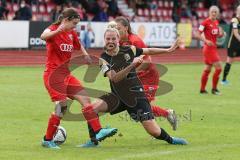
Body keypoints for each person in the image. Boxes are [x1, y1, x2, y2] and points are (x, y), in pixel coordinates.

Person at [80, 27, 188, 147]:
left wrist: (168, 50)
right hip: (118, 96)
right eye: (108, 38)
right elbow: (114, 78)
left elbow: (148, 50)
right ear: (104, 39)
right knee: (91, 109)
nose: (110, 41)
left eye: (113, 38)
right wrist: (132, 65)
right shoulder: (103, 59)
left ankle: (171, 139)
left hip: (136, 96)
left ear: (118, 39)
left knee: (154, 131)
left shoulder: (128, 49)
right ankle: (94, 141)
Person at [40, 8, 117, 149]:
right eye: (74, 23)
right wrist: (58, 31)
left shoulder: (71, 33)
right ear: (66, 20)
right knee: (62, 106)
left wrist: (85, 54)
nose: (74, 27)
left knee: (85, 99)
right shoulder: (53, 29)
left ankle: (99, 131)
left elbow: (78, 43)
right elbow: (43, 36)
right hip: (53, 75)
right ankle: (47, 139)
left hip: (66, 75)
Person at [112, 16, 177, 130]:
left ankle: (163, 120)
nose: (116, 31)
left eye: (119, 28)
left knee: (142, 105)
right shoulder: (119, 42)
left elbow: (147, 61)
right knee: (137, 107)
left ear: (126, 28)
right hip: (136, 77)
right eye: (115, 28)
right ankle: (165, 117)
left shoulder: (135, 40)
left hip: (148, 76)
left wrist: (131, 73)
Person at [196, 6, 224, 95]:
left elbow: (216, 35)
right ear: (209, 12)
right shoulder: (205, 22)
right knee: (219, 68)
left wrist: (221, 34)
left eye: (215, 12)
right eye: (212, 11)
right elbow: (197, 34)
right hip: (208, 49)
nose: (214, 13)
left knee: (207, 69)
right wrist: (206, 40)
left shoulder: (216, 22)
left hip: (213, 48)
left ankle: (202, 90)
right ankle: (214, 89)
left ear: (218, 13)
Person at [222, 5, 240, 85]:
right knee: (229, 61)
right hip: (233, 45)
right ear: (237, 11)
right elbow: (236, 33)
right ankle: (223, 80)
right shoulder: (234, 20)